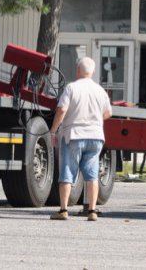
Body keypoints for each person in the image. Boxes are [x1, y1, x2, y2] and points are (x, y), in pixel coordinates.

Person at [49, 56, 113, 222]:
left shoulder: (71, 88)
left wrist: (53, 131)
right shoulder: (100, 90)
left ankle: (63, 210)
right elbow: (108, 113)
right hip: (96, 137)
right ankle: (92, 211)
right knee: (92, 175)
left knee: (67, 172)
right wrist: (94, 120)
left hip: (74, 135)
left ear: (78, 70)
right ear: (93, 72)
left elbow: (62, 110)